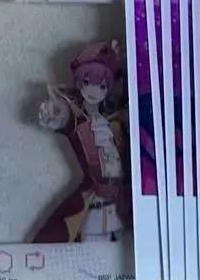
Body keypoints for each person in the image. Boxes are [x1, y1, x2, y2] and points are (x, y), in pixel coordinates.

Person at [33, 41, 129, 243]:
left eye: (101, 86)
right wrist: (55, 113)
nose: (94, 90)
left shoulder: (116, 120)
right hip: (95, 199)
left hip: (123, 202)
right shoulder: (79, 118)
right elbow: (64, 117)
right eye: (87, 82)